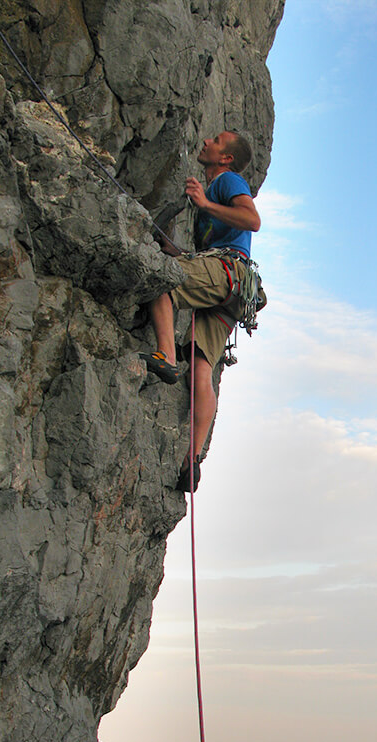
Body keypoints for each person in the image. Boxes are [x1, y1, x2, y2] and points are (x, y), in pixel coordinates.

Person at [142, 131, 261, 491]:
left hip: (227, 272)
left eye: (217, 140)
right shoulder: (217, 189)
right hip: (233, 288)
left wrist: (205, 203)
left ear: (226, 158)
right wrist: (178, 253)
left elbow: (252, 220)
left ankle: (165, 355)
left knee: (162, 280)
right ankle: (191, 458)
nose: (207, 140)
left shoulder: (227, 180)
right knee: (201, 368)